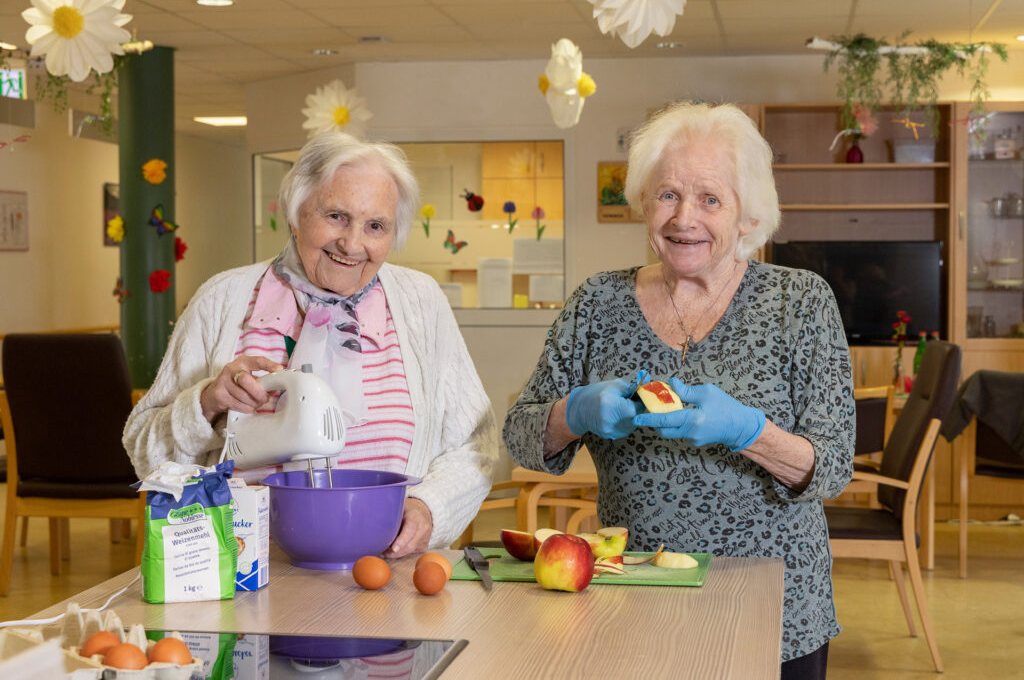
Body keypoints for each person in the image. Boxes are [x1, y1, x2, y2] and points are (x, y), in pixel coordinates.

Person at [503, 102, 854, 679]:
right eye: (667, 194)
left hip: (774, 608)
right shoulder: (598, 303)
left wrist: (751, 433)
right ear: (643, 203)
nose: (683, 217)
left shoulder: (801, 302)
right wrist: (576, 412)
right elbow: (521, 436)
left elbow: (835, 468)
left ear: (748, 216)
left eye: (710, 199)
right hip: (633, 597)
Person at [125, 132, 498, 558]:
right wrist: (207, 403)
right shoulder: (223, 300)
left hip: (390, 577)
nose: (353, 244)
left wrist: (429, 507)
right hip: (246, 571)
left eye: (375, 226)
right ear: (296, 213)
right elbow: (144, 452)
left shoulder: (421, 302)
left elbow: (476, 443)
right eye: (337, 216)